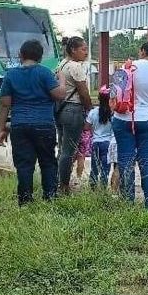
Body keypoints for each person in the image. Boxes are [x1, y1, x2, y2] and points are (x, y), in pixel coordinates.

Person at [0, 40, 66, 205]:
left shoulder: (11, 75)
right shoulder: (45, 73)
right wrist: (62, 79)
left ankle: (25, 201)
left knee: (24, 165)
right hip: (44, 125)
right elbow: (59, 95)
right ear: (40, 57)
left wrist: (1, 129)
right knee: (48, 162)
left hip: (20, 126)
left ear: (21, 54)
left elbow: (5, 104)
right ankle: (50, 198)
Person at [112, 41, 148, 208]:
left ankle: (127, 202)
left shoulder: (127, 67)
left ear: (143, 51)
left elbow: (113, 95)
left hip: (123, 120)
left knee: (125, 160)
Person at [56, 36, 92, 195]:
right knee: (68, 151)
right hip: (74, 110)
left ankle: (58, 180)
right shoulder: (75, 67)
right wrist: (90, 111)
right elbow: (84, 93)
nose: (86, 52)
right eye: (83, 49)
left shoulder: (62, 64)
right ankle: (64, 186)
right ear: (73, 50)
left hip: (61, 108)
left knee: (62, 148)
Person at [84, 88, 114, 190]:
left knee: (94, 167)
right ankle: (103, 189)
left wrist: (94, 129)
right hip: (108, 144)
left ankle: (93, 188)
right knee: (105, 168)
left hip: (96, 143)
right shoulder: (113, 113)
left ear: (99, 99)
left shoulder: (93, 112)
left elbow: (86, 127)